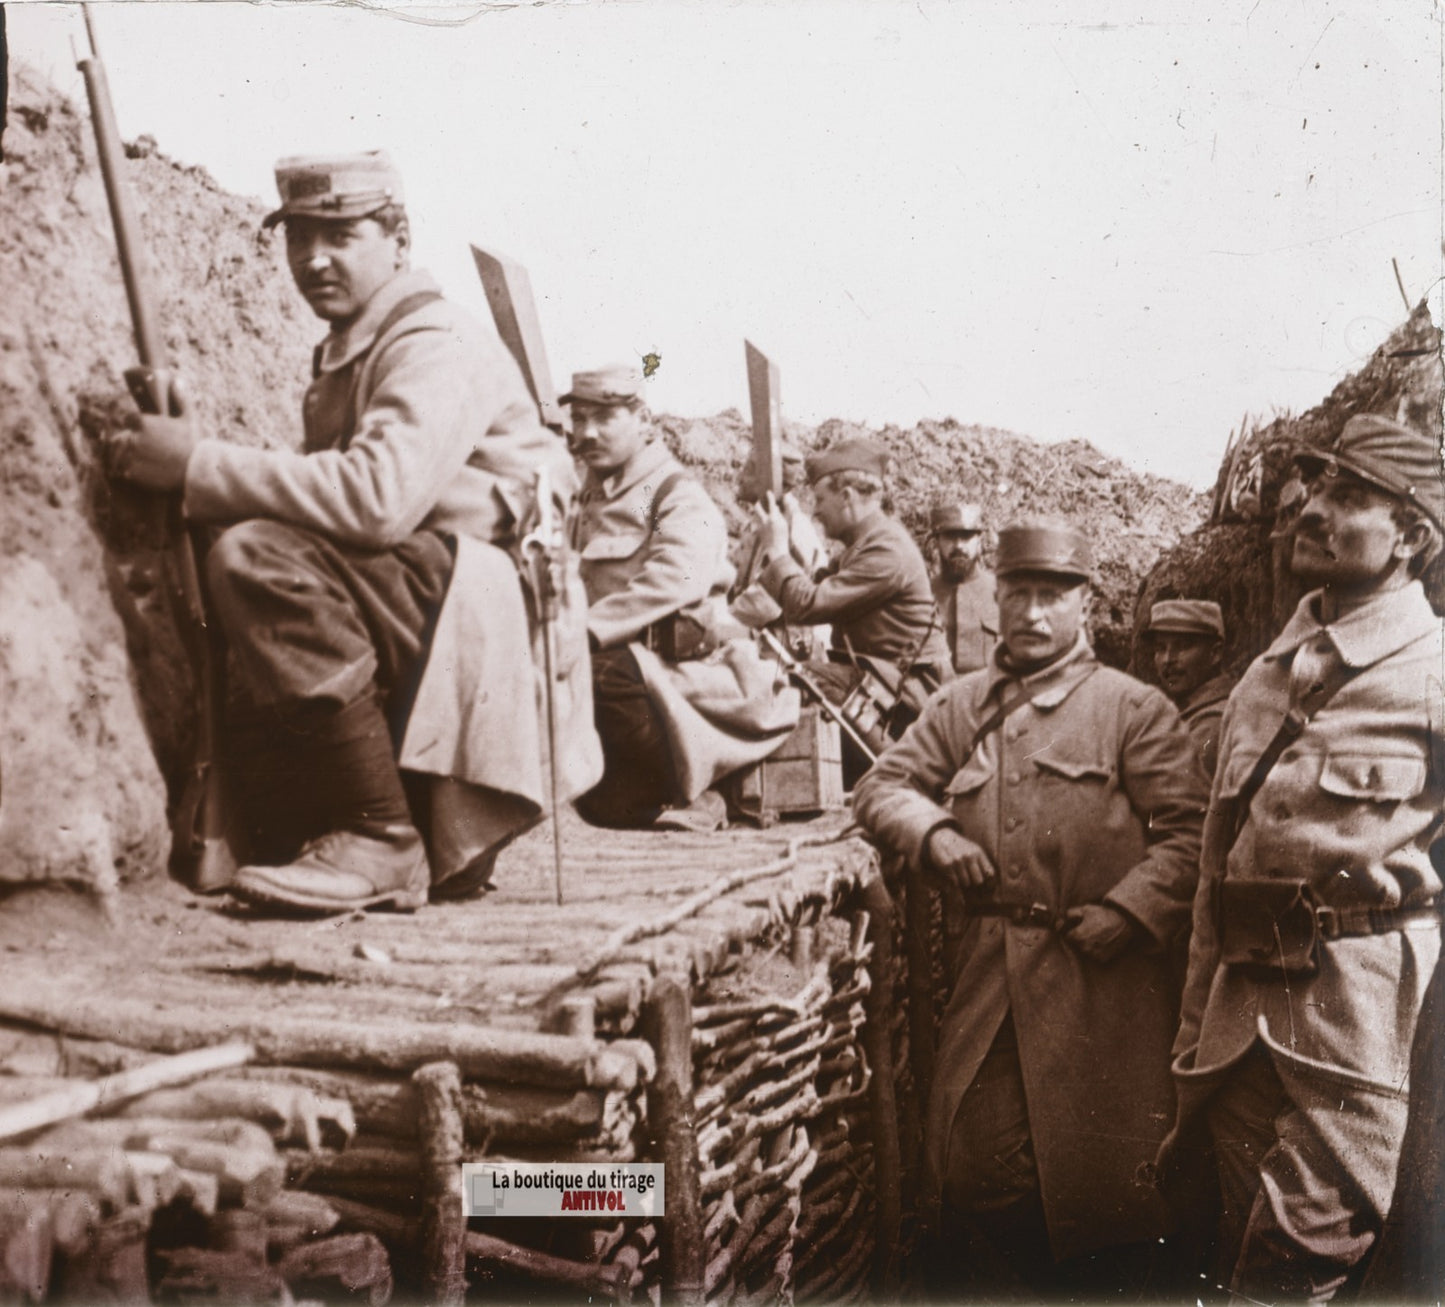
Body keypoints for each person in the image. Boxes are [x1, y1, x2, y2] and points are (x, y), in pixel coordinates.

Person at [106, 150, 600, 912]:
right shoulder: (363, 345)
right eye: (298, 237)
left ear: (398, 239)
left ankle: (383, 831)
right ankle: (396, 819)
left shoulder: (433, 342)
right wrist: (193, 452)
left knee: (259, 561)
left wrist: (198, 466)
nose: (312, 258)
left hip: (490, 620)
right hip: (448, 615)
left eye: (340, 234)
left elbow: (375, 500)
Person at [853, 517, 1207, 1298]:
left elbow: (1190, 837)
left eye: (1053, 595)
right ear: (997, 601)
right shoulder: (961, 704)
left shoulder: (1132, 710)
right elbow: (879, 787)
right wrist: (934, 831)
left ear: (1084, 604)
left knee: (1106, 1185)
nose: (1033, 613)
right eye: (1019, 593)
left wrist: (1128, 910)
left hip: (1101, 981)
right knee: (972, 1167)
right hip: (990, 977)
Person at [1165, 414, 1445, 1303]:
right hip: (1239, 1021)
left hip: (1354, 1035)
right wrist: (1189, 1034)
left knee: (1292, 1269)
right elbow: (1214, 871)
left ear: (1411, 535)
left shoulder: (1434, 671)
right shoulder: (1266, 672)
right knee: (1238, 1246)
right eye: (1314, 489)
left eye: (1350, 496)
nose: (1312, 510)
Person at [565, 364, 800, 831]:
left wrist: (582, 633)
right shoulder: (583, 500)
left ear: (643, 419)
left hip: (682, 677)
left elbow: (676, 578)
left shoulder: (675, 494)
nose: (587, 433)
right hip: (622, 671)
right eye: (579, 419)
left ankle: (703, 790)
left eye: (604, 418)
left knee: (593, 676)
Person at [751, 437, 952, 774]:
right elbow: (809, 586)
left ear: (846, 497)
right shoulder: (865, 545)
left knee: (806, 678)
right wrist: (784, 543)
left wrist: (778, 551)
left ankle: (899, 767)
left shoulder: (886, 551)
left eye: (820, 500)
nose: (815, 511)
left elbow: (807, 604)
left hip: (908, 699)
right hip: (884, 688)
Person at [1144, 598, 1233, 779]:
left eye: (1183, 647)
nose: (1168, 659)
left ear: (1215, 653)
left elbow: (1169, 791)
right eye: (1160, 648)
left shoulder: (1214, 720)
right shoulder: (1184, 709)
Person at [930, 501, 998, 675]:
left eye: (966, 537)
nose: (959, 545)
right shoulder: (922, 593)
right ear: (937, 541)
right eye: (950, 537)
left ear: (979, 541)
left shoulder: (1001, 591)